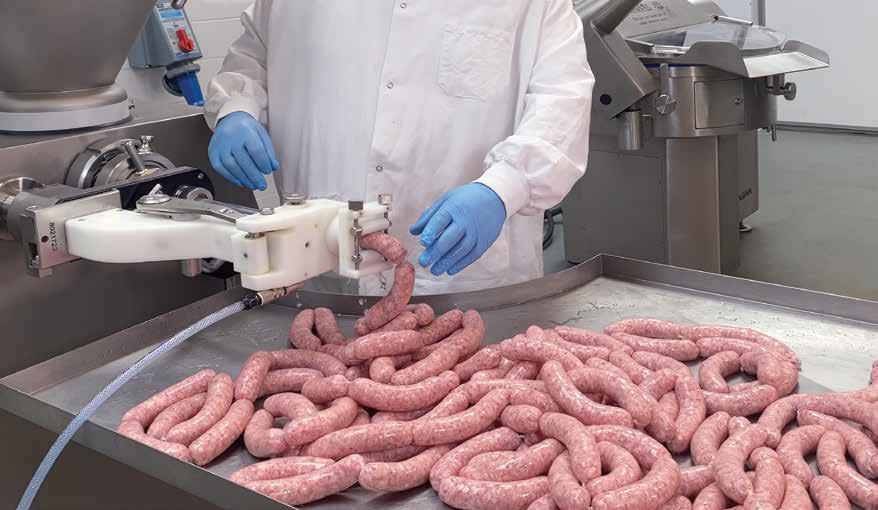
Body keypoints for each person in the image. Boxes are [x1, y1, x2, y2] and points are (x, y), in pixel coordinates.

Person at [205, 1, 594, 295]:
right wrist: (236, 109)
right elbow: (251, 57)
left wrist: (504, 187)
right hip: (318, 271)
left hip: (466, 282)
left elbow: (563, 100)